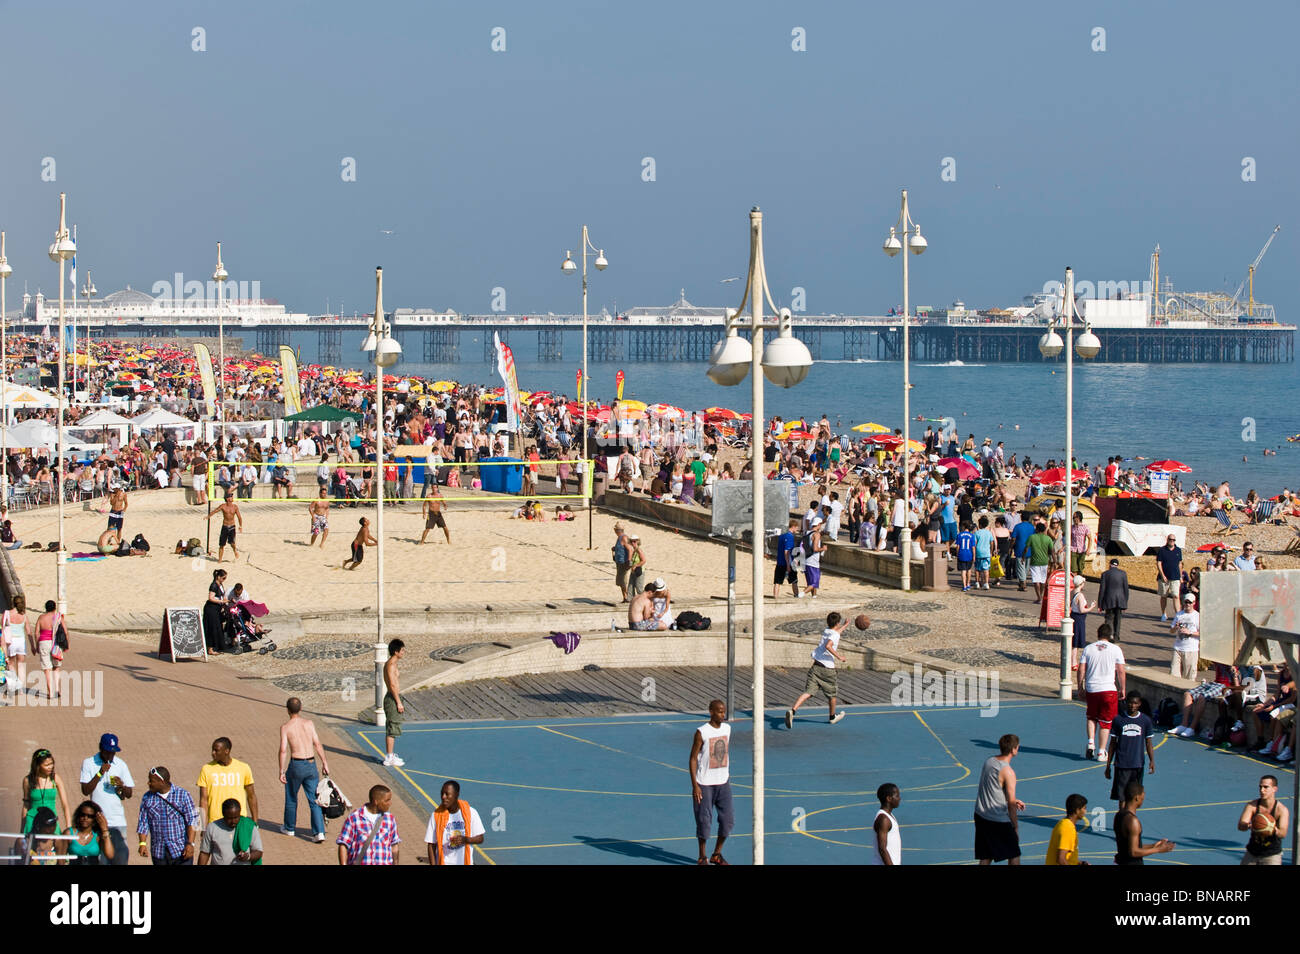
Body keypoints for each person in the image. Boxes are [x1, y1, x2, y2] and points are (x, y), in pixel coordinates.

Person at [279, 697, 331, 842]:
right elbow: (317, 744)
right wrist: (324, 762)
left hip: (296, 764)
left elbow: (283, 750)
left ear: (287, 710)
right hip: (311, 763)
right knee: (314, 799)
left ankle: (289, 827)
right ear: (301, 708)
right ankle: (319, 832)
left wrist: (281, 770)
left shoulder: (286, 727)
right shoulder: (309, 723)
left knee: (291, 797)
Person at [785, 611, 849, 727]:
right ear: (837, 623)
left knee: (808, 692)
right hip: (827, 669)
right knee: (832, 695)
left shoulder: (826, 631)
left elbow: (836, 633)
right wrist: (839, 657)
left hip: (815, 666)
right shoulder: (834, 635)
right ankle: (832, 717)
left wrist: (845, 626)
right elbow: (828, 645)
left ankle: (793, 710)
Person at [689, 699, 733, 866]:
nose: (723, 714)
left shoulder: (727, 729)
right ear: (711, 712)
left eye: (724, 711)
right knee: (704, 821)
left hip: (723, 783)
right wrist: (695, 785)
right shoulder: (701, 732)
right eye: (720, 711)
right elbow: (693, 758)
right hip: (704, 784)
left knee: (727, 820)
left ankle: (717, 854)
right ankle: (702, 856)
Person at [79, 732, 134, 865]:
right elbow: (85, 790)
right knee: (100, 860)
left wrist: (122, 785)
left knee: (120, 859)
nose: (110, 755)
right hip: (97, 821)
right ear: (100, 748)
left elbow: (129, 793)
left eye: (113, 752)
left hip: (117, 821)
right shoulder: (89, 763)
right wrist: (100, 772)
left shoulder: (121, 765)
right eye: (107, 752)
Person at [974, 734, 1024, 865]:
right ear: (1013, 749)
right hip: (997, 819)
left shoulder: (989, 761)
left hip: (980, 814)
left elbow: (992, 787)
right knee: (1014, 853)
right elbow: (1012, 805)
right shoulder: (1008, 772)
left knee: (986, 855)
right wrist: (1015, 827)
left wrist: (1007, 799)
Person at [1078, 622, 1125, 761]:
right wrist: (1122, 688)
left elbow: (1081, 669)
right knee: (1106, 721)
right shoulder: (1116, 650)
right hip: (1108, 689)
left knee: (1091, 716)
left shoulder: (1088, 649)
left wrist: (1080, 687)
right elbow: (1121, 671)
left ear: (1098, 635)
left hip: (1092, 688)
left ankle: (1091, 743)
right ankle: (1101, 751)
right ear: (1110, 636)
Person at [136, 765, 200, 865]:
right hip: (159, 853)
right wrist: (142, 844)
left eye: (151, 781)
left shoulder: (182, 795)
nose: (148, 783)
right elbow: (143, 823)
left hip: (181, 852)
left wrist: (190, 844)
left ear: (161, 782)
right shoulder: (147, 797)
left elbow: (192, 821)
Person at [1106, 690, 1155, 804]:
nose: (1132, 705)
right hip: (1122, 764)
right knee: (1121, 797)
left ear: (1139, 704)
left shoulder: (1145, 721)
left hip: (1137, 764)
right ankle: (1122, 818)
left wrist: (1152, 761)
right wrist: (1108, 765)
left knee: (1134, 797)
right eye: (1130, 703)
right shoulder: (1118, 719)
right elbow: (1112, 743)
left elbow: (1148, 742)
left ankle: (1129, 817)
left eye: (1135, 703)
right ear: (1126, 702)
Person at [197, 737, 258, 827]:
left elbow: (251, 796)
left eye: (216, 750)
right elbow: (203, 800)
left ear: (226, 751)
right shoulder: (206, 769)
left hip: (239, 821)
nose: (213, 753)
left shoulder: (243, 768)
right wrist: (202, 827)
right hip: (216, 822)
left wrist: (255, 822)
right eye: (212, 750)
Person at [425, 779, 486, 865]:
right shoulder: (436, 815)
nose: (443, 797)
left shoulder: (471, 813)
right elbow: (431, 844)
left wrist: (465, 839)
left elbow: (480, 838)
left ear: (456, 795)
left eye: (447, 794)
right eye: (442, 793)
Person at [337, 784, 401, 865]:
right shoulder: (354, 818)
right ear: (376, 801)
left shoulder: (390, 819)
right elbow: (343, 844)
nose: (390, 803)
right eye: (387, 800)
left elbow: (394, 845)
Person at [1114, 781, 1174, 864]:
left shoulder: (1119, 815)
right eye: (1143, 795)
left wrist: (1154, 845)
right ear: (1137, 798)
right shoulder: (1133, 821)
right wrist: (1158, 850)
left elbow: (1130, 846)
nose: (1143, 798)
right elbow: (1133, 852)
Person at [1237, 775, 1289, 865]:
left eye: (1266, 787)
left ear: (1274, 789)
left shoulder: (1281, 810)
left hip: (1272, 855)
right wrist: (1248, 825)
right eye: (1260, 787)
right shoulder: (1252, 805)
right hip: (1252, 852)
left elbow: (1283, 833)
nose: (1262, 790)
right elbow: (1241, 826)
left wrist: (1272, 829)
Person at [21, 748, 72, 836]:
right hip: (33, 820)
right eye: (46, 765)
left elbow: (65, 805)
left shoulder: (55, 778)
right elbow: (26, 806)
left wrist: (68, 827)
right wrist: (22, 829)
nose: (50, 767)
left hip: (51, 821)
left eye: (51, 764)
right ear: (37, 765)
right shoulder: (27, 780)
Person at [198, 798, 263, 865]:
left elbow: (259, 852)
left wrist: (248, 856)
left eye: (236, 817)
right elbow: (204, 853)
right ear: (223, 814)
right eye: (229, 818)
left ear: (239, 813)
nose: (233, 821)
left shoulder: (249, 827)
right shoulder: (212, 827)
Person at [32, 598, 65, 700]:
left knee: (47, 669)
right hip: (56, 644)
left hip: (43, 643)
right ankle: (57, 690)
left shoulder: (41, 618)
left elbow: (36, 632)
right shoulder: (58, 617)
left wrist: (37, 645)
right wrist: (66, 644)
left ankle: (50, 692)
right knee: (56, 667)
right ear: (55, 608)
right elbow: (65, 631)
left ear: (45, 608)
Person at [1045, 794, 1089, 866]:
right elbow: (1061, 859)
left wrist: (1080, 863)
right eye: (1084, 808)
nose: (1085, 811)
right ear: (1077, 810)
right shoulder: (1068, 829)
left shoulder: (1063, 823)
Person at [66, 801, 114, 866]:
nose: (85, 818)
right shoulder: (69, 833)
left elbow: (110, 855)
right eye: (82, 814)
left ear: (95, 819)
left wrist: (105, 830)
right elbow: (61, 858)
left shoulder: (98, 836)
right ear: (78, 815)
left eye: (90, 816)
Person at [382, 639, 406, 766]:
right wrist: (398, 702)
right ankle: (389, 757)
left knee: (393, 726)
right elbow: (392, 684)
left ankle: (391, 755)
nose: (403, 652)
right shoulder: (391, 665)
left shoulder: (393, 663)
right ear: (396, 651)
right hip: (392, 698)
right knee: (392, 727)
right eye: (402, 650)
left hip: (394, 697)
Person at [1096, 559, 1130, 643]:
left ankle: (1108, 636)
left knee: (1109, 618)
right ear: (1117, 565)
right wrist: (1125, 603)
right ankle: (1116, 637)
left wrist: (1100, 604)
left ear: (1110, 564)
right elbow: (1126, 589)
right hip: (1120, 600)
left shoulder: (1105, 574)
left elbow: (1102, 590)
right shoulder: (1123, 574)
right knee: (1118, 619)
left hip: (1109, 600)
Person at [3, 594, 30, 697]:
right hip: (21, 641)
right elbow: (28, 631)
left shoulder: (8, 613)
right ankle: (21, 689)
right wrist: (32, 645)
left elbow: (3, 626)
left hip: (11, 641)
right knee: (21, 665)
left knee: (10, 664)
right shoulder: (24, 615)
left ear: (13, 603)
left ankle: (13, 685)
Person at [1169, 593, 1200, 679]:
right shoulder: (1179, 614)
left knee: (1189, 677)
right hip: (1177, 648)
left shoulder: (1197, 616)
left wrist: (1190, 632)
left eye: (1189, 602)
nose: (1187, 604)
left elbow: (1202, 633)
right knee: (1173, 675)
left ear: (1194, 603)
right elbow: (1171, 631)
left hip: (1191, 649)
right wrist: (1175, 627)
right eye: (1186, 602)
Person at [1069, 574, 1097, 670]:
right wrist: (1091, 607)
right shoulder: (1080, 595)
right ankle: (1074, 662)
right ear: (1081, 584)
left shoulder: (1071, 592)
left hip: (1073, 615)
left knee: (1073, 640)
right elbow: (1082, 610)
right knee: (1076, 642)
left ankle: (1072, 661)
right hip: (1079, 618)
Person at [870, 783, 902, 866]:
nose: (899, 798)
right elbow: (882, 849)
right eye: (897, 796)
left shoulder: (889, 816)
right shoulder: (884, 819)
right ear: (889, 798)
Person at [207, 491, 243, 562]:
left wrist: (240, 526)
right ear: (227, 499)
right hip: (225, 526)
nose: (232, 498)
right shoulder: (223, 506)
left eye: (232, 496)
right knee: (221, 544)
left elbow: (239, 517)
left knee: (232, 543)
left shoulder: (235, 507)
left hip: (232, 526)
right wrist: (208, 516)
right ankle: (220, 560)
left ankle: (235, 551)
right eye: (231, 496)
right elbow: (215, 511)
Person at [1155, 534, 1182, 621]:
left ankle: (1177, 614)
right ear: (1167, 540)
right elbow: (1159, 563)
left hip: (1175, 577)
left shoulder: (1178, 550)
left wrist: (1180, 576)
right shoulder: (1162, 550)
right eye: (1170, 539)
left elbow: (1180, 564)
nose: (1172, 541)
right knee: (1164, 596)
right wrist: (1162, 575)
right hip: (1164, 578)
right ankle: (1163, 613)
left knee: (1176, 596)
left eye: (1174, 540)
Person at [204, 569, 229, 653]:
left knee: (219, 627)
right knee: (212, 628)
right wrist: (222, 601)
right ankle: (210, 648)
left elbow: (221, 595)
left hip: (217, 608)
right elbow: (210, 598)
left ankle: (218, 646)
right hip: (211, 609)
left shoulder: (220, 584)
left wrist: (224, 601)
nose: (224, 580)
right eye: (223, 578)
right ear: (218, 577)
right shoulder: (214, 585)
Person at [1026, 521, 1052, 601]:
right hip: (1044, 562)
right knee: (1043, 580)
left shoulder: (1032, 537)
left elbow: (1026, 548)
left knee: (1036, 580)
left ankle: (1039, 597)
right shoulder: (1048, 538)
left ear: (1036, 530)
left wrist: (1023, 557)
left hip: (1034, 562)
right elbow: (1052, 551)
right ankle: (1041, 595)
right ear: (1044, 530)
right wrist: (1053, 560)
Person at [1009, 509, 1034, 592]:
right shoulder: (1032, 527)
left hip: (1019, 549)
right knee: (1026, 567)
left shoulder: (1017, 526)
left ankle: (1023, 584)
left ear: (1021, 517)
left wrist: (1011, 547)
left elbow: (1013, 539)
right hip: (1030, 549)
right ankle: (1022, 582)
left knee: (1020, 567)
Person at [803, 515, 826, 598]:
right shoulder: (816, 534)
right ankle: (801, 594)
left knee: (810, 582)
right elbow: (815, 548)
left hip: (806, 559)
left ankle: (814, 596)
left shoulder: (807, 532)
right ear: (819, 524)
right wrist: (823, 548)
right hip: (813, 561)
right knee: (814, 582)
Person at [973, 515, 994, 590]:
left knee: (977, 569)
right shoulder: (989, 533)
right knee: (986, 569)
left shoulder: (977, 533)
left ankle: (977, 582)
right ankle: (986, 583)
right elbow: (992, 542)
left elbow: (974, 544)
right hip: (986, 552)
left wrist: (974, 553)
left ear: (980, 525)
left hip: (978, 552)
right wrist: (991, 551)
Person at [612, 523, 632, 602]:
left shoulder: (623, 537)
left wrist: (629, 561)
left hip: (624, 562)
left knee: (623, 581)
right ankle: (625, 597)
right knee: (620, 581)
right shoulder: (619, 538)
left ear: (616, 530)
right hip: (619, 562)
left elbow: (630, 549)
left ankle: (627, 597)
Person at [1069, 510, 1092, 576]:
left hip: (1082, 550)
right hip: (1073, 549)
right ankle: (1074, 584)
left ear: (1078, 518)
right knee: (1073, 569)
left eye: (1074, 517)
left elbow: (1090, 538)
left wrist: (1088, 549)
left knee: (1080, 568)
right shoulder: (1072, 527)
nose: (1073, 519)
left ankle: (1079, 583)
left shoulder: (1085, 527)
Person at [955, 521, 976, 591]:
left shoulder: (959, 535)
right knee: (969, 570)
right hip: (969, 554)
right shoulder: (972, 535)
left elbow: (957, 546)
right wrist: (974, 556)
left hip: (961, 553)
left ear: (963, 527)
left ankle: (964, 585)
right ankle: (968, 584)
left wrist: (957, 554)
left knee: (963, 571)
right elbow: (973, 547)